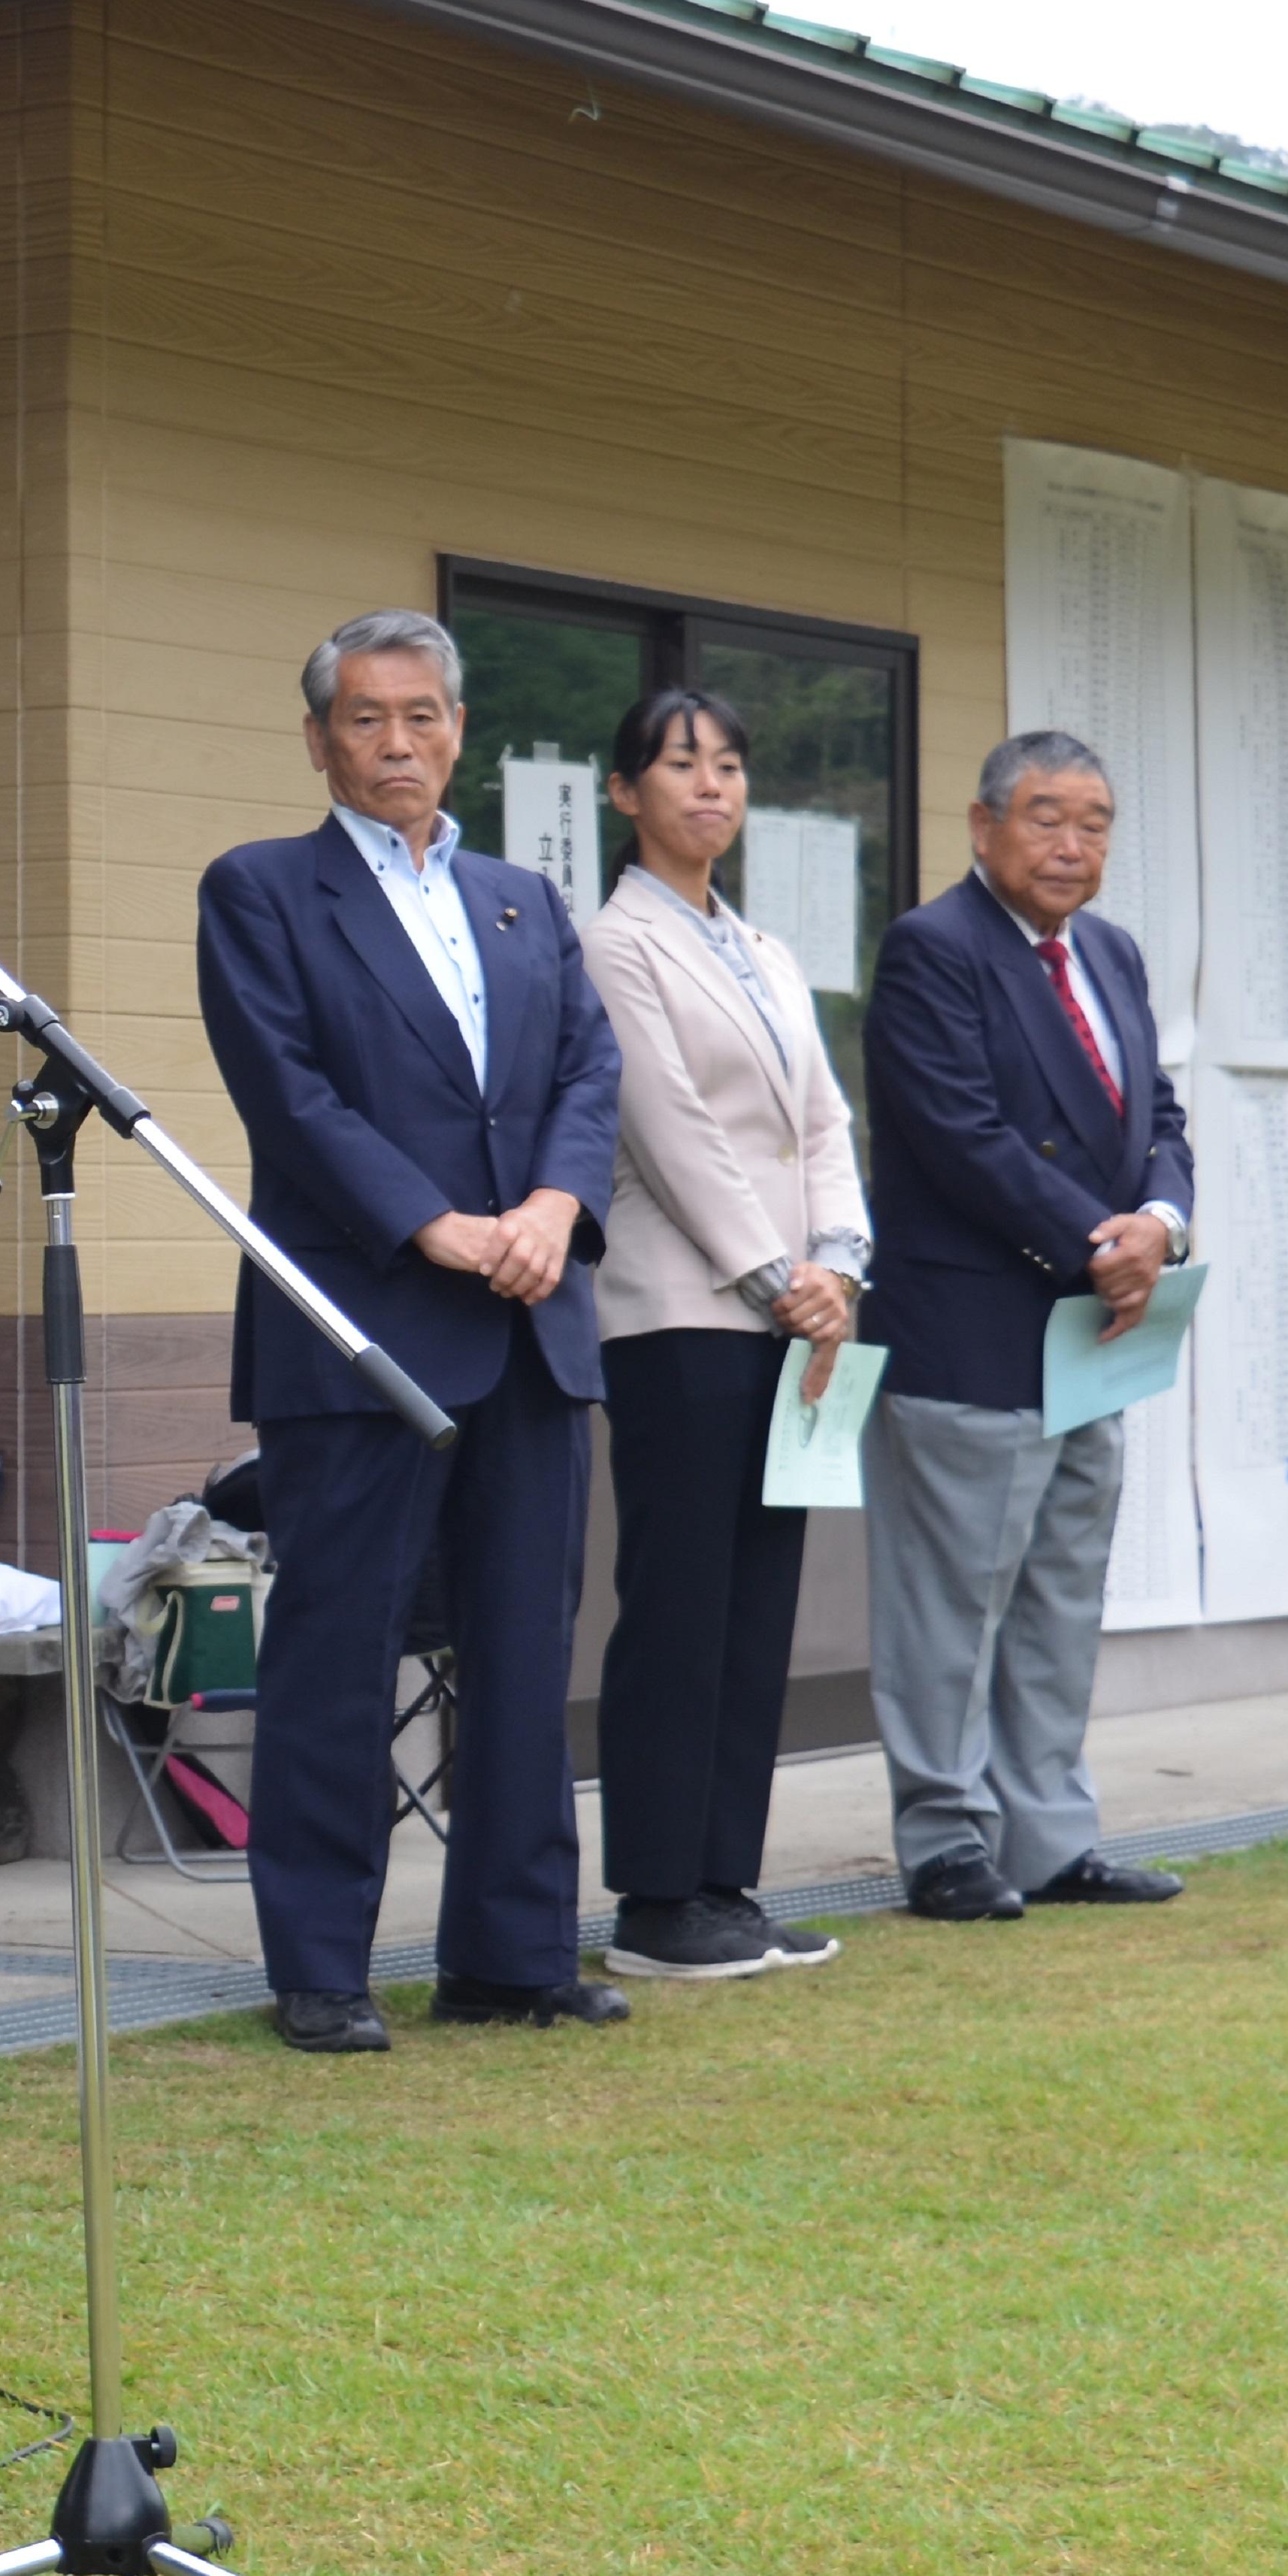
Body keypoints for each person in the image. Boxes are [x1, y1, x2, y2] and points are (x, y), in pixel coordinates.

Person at [195, 607, 628, 2058]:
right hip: (362, 1322)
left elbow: (585, 1065)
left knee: (523, 1645)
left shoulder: (524, 898)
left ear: (460, 733)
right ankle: (320, 1965)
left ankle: (511, 1956)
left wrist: (560, 1206)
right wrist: (433, 1225)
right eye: (369, 718)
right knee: (338, 1648)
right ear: (320, 740)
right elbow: (289, 1093)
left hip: (531, 1316)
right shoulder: (262, 891)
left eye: (424, 716)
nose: (400, 743)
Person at [855, 731, 1192, 1922]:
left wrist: (1161, 1219)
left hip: (1096, 1328)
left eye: (1094, 821)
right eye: (1046, 817)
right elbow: (963, 1138)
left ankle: (1050, 1836)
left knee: (1062, 1593)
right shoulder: (933, 950)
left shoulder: (1110, 952)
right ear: (983, 825)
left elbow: (1157, 1111)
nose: (1071, 843)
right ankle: (946, 1839)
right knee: (952, 1603)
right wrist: (1108, 1247)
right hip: (971, 1325)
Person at [579, 688, 866, 1981]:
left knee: (759, 1607)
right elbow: (670, 1127)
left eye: (732, 767)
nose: (712, 787)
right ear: (623, 793)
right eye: (682, 765)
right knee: (683, 1604)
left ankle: (725, 1884)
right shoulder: (617, 942)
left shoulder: (764, 948)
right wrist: (775, 1275)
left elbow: (823, 1123)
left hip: (795, 1320)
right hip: (682, 1318)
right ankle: (654, 1900)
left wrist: (841, 1267)